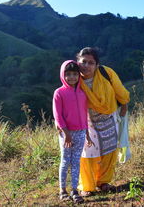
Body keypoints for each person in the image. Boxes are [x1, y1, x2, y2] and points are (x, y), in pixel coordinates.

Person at [76, 47, 130, 196]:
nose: (86, 66)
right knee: (87, 154)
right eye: (83, 62)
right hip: (88, 122)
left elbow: (120, 91)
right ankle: (86, 186)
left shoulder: (106, 73)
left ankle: (104, 182)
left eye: (91, 63)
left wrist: (124, 106)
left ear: (96, 65)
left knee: (109, 151)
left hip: (110, 118)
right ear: (77, 62)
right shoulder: (74, 77)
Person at [52, 60, 93, 203]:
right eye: (68, 74)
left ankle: (75, 190)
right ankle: (62, 191)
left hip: (81, 132)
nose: (72, 77)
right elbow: (57, 115)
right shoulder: (59, 93)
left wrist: (87, 134)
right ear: (63, 75)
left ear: (79, 75)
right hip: (66, 133)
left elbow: (84, 113)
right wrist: (66, 133)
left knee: (76, 162)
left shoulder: (82, 93)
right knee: (65, 161)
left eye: (75, 74)